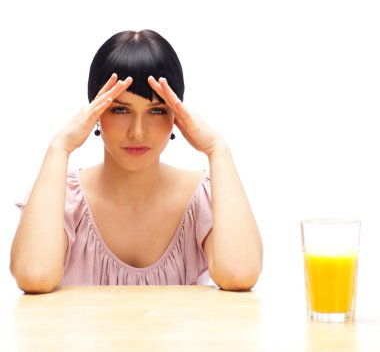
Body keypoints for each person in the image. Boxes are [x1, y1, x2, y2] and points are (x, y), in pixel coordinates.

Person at [10, 29, 263, 293]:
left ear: (177, 115)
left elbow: (239, 274)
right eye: (120, 109)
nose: (138, 131)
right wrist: (59, 148)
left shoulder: (201, 197)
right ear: (94, 111)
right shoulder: (64, 197)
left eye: (156, 110)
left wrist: (217, 149)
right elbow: (33, 274)